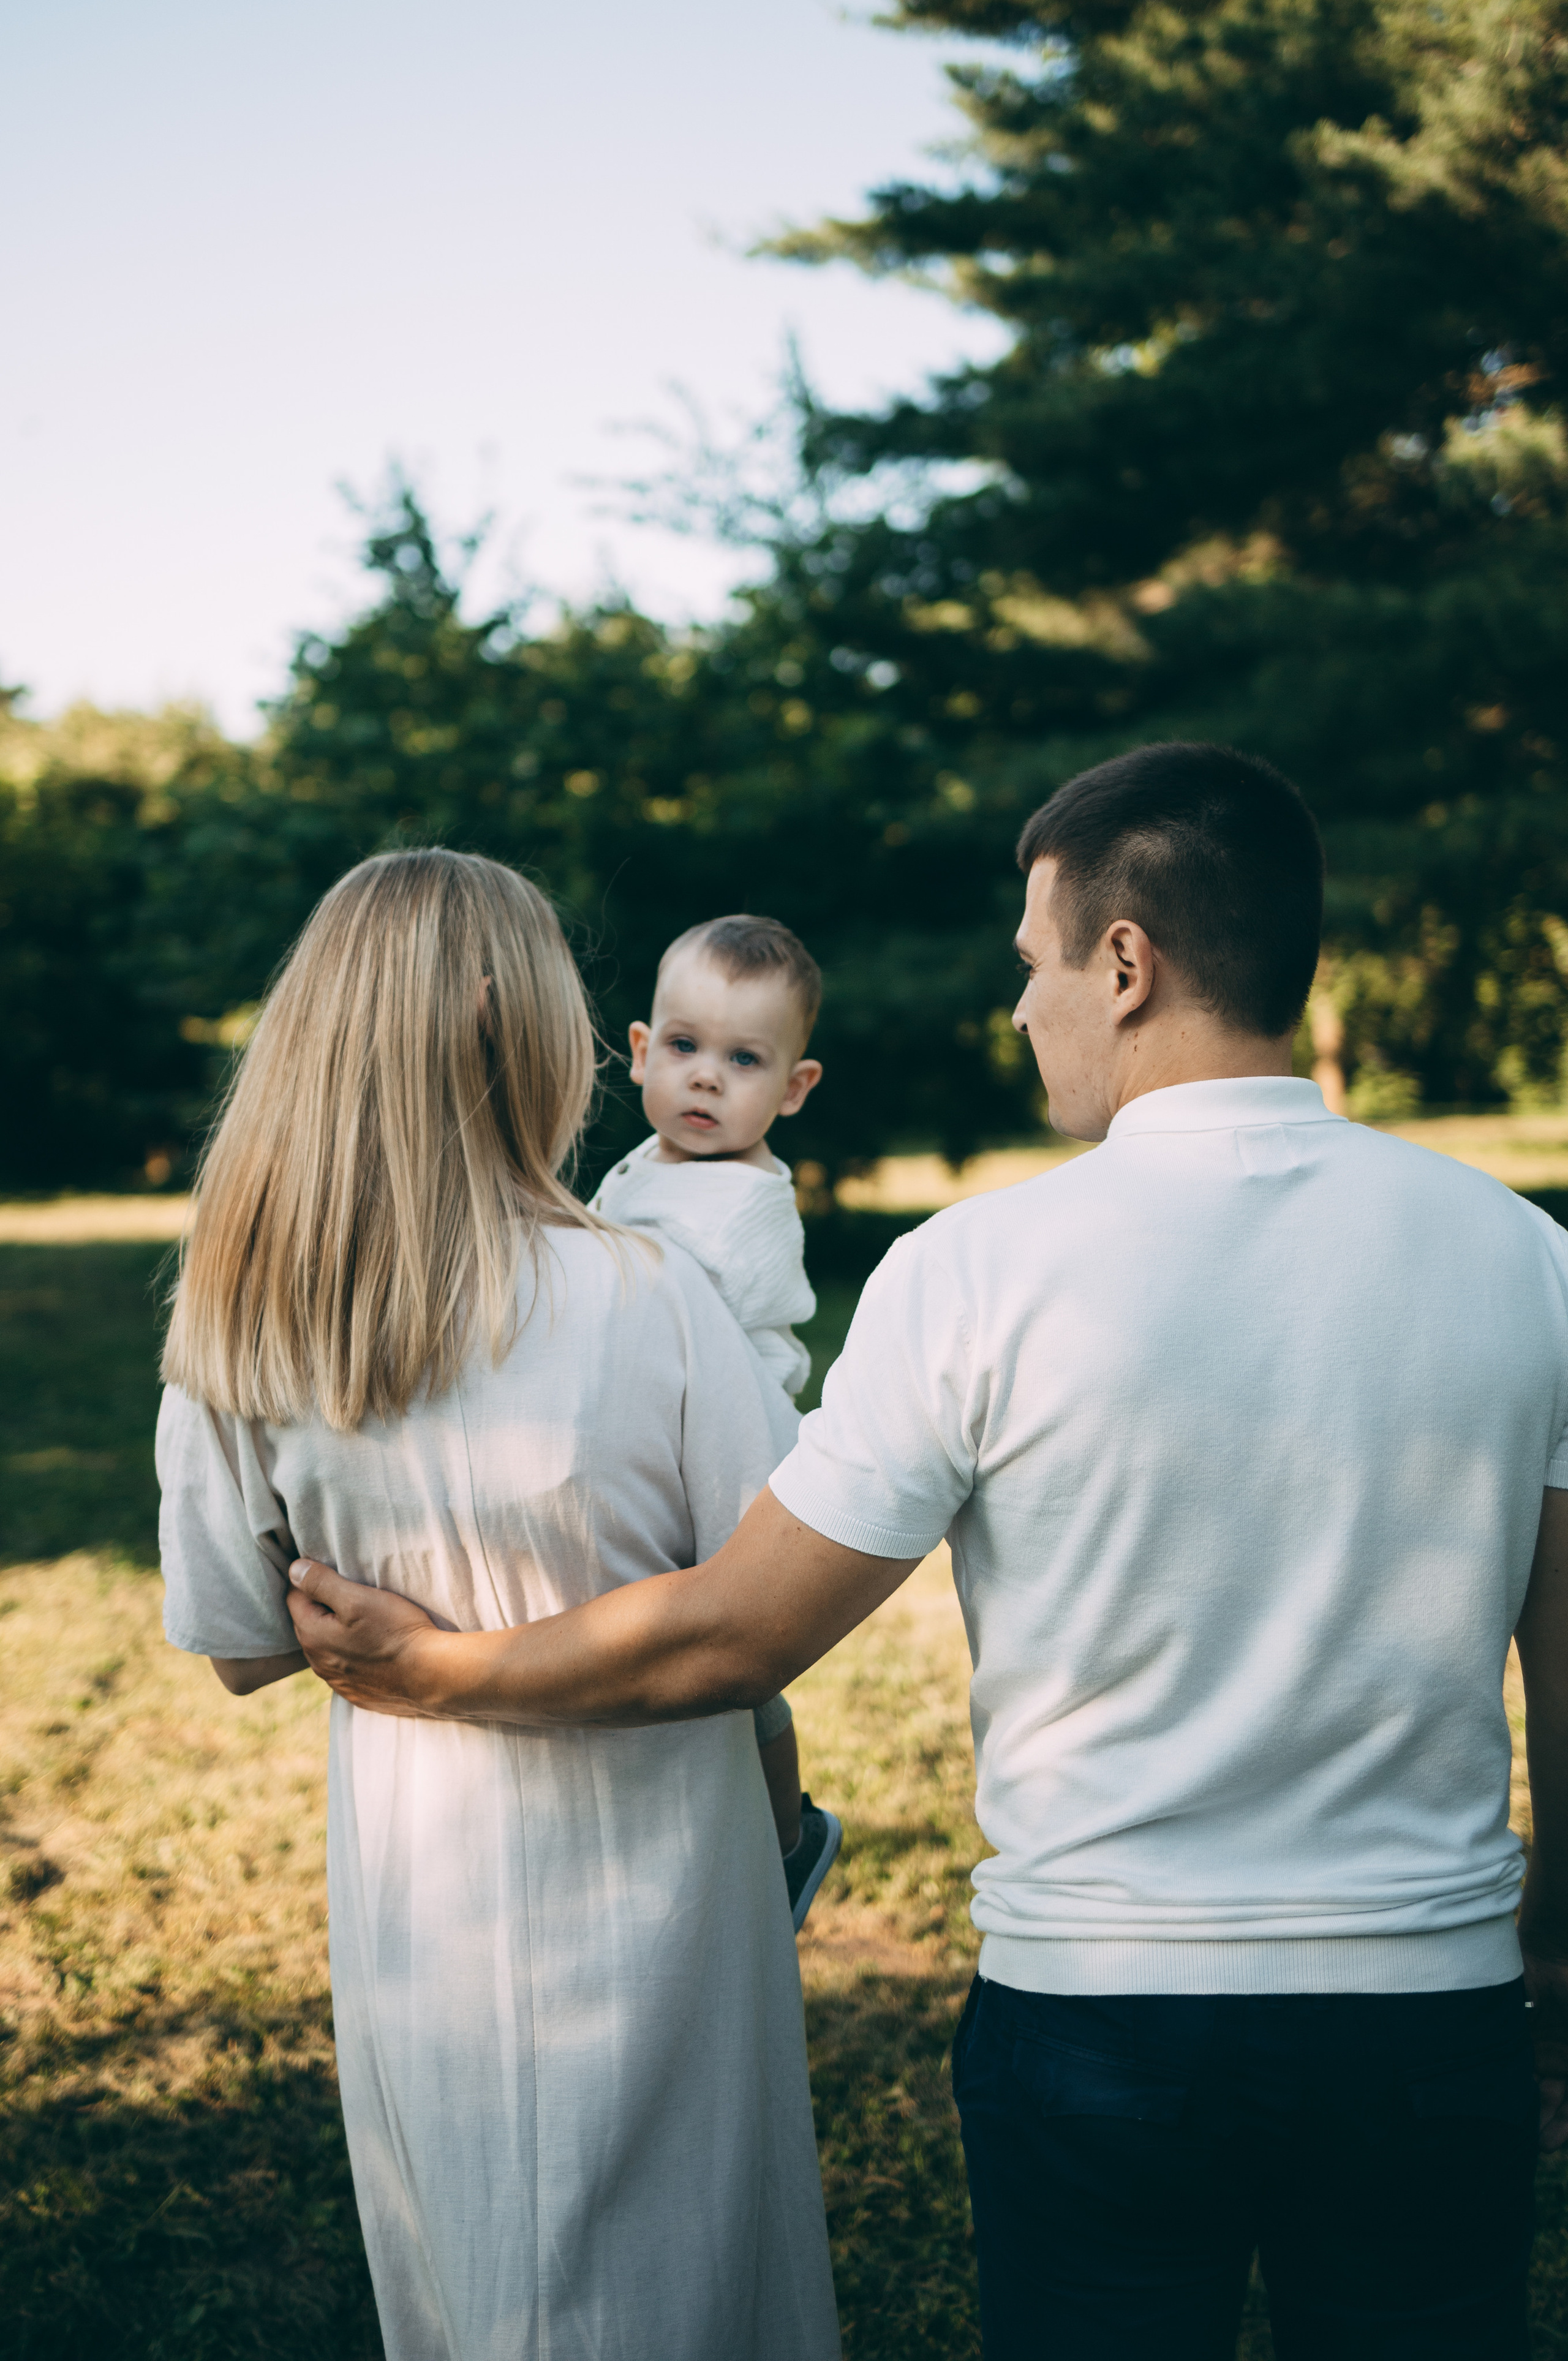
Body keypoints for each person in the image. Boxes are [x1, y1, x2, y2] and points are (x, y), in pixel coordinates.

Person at [287, 744, 1568, 2359]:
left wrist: (437, 1670)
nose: (1021, 1008)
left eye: (1034, 967)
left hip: (1103, 2030)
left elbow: (733, 1635)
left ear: (1126, 962)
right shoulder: (1524, 1257)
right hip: (1432, 2017)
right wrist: (1557, 1950)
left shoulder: (976, 1275)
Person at [155, 849, 840, 2361]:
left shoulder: (239, 1311)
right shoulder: (655, 1293)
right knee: (684, 2274)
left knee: (475, 2270)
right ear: (499, 1020)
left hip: (424, 1873)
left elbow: (241, 1641)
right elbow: (765, 1603)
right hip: (660, 1861)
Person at [590, 911, 840, 1926]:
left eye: (743, 1060)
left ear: (792, 1089)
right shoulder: (650, 1166)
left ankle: (788, 1839)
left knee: (740, 1675)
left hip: (736, 1448)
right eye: (685, 1048)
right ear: (643, 1052)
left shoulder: (743, 1207)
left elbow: (675, 1328)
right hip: (671, 1423)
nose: (705, 1079)